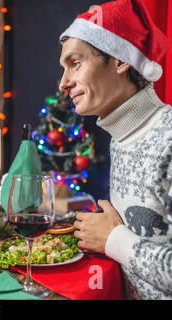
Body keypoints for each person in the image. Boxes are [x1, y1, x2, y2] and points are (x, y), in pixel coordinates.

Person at [58, 0, 171, 299]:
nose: (63, 83)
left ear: (121, 60)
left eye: (75, 63)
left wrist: (113, 239)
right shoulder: (120, 137)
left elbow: (119, 239)